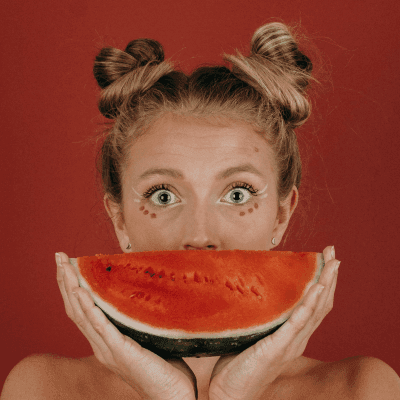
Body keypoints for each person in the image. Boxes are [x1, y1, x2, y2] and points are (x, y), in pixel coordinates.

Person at [2, 21, 400, 400]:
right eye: (163, 195)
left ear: (282, 214)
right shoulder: (41, 387)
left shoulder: (364, 389)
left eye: (238, 194)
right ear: (119, 218)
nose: (200, 235)